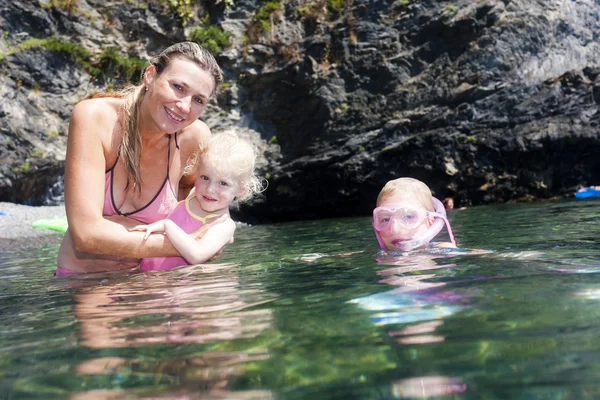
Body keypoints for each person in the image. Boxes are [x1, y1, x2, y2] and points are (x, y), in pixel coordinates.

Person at [56, 42, 225, 274]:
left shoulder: (195, 138)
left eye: (198, 100)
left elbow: (200, 199)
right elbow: (86, 235)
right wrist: (191, 246)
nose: (185, 106)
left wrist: (211, 233)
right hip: (85, 281)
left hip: (153, 280)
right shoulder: (96, 118)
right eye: (178, 87)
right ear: (150, 76)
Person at [130, 131, 265, 271]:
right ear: (196, 173)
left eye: (223, 183)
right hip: (147, 275)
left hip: (178, 286)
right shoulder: (194, 195)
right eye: (205, 177)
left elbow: (197, 255)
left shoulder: (224, 225)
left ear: (241, 189)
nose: (210, 189)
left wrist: (167, 226)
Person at [373, 177, 457, 252]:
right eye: (385, 219)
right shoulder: (383, 253)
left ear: (431, 223)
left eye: (408, 217)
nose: (394, 229)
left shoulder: (441, 249)